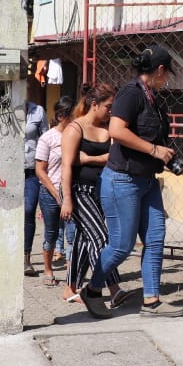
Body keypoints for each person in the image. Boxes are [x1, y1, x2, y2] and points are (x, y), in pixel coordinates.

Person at [80, 45, 183, 318]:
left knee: (155, 239)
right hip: (122, 181)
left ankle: (151, 301)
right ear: (159, 70)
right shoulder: (130, 93)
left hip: (147, 181)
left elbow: (156, 141)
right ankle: (92, 290)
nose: (167, 79)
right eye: (167, 74)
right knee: (121, 245)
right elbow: (116, 130)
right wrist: (153, 151)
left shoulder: (155, 101)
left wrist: (166, 157)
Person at [60, 83, 132, 308]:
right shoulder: (75, 129)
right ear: (94, 104)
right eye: (108, 106)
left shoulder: (109, 128)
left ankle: (70, 288)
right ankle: (113, 289)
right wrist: (67, 199)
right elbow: (67, 166)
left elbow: (114, 157)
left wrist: (89, 158)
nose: (111, 111)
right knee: (101, 238)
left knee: (84, 240)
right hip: (78, 192)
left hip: (102, 192)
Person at [34, 96, 74, 287]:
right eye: (71, 116)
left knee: (73, 234)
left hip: (72, 192)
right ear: (60, 116)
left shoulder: (76, 135)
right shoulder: (47, 138)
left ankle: (72, 273)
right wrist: (56, 193)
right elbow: (40, 170)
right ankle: (48, 269)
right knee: (51, 233)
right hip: (50, 193)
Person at [22, 100, 47, 277]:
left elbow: (45, 138)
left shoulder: (38, 111)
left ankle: (26, 258)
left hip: (32, 170)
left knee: (29, 210)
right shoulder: (5, 107)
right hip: (9, 171)